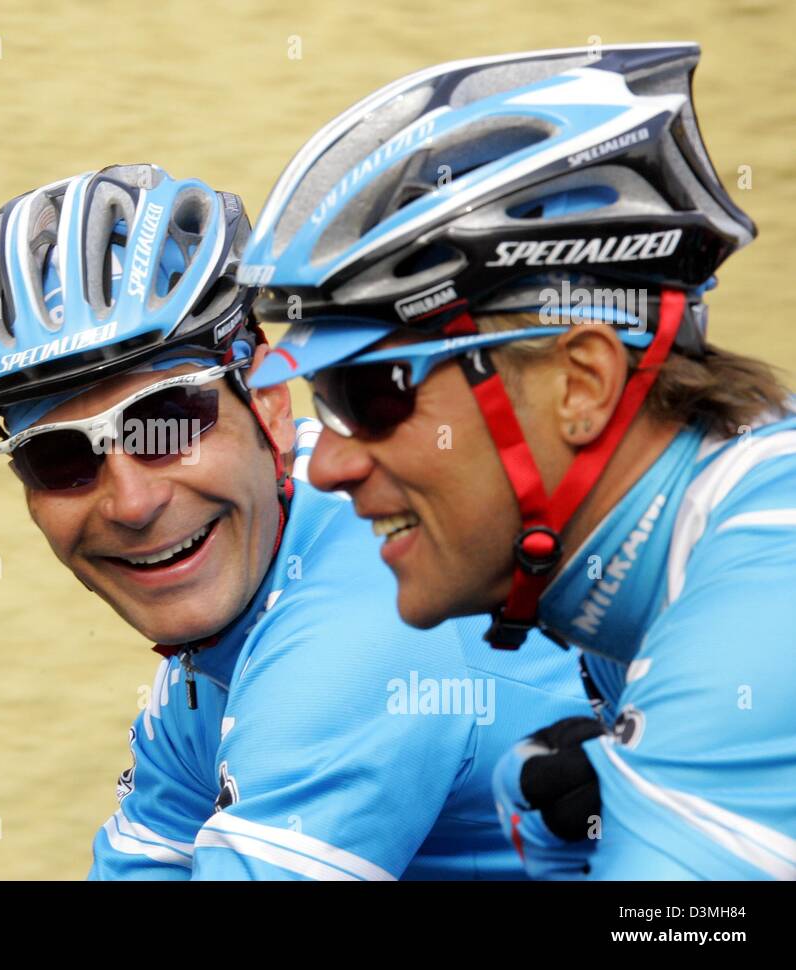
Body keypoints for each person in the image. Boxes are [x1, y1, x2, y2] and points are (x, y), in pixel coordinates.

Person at [0, 162, 592, 879]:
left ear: (272, 404)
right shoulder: (234, 618)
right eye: (58, 458)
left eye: (169, 419)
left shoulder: (358, 636)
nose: (131, 503)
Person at [241, 43, 796, 879]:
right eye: (325, 405)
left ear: (582, 383)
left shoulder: (762, 588)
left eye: (376, 393)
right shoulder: (666, 570)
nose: (328, 466)